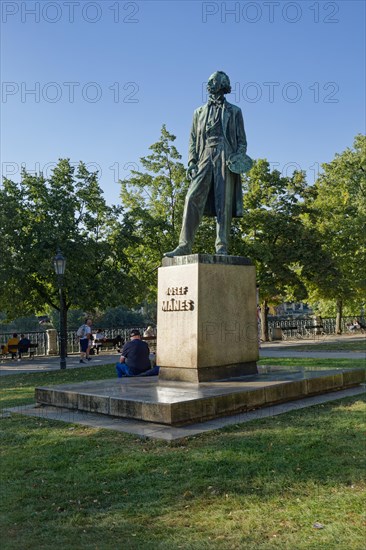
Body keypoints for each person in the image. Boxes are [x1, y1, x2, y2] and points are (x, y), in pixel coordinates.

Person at [165, 70, 252, 257]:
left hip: (225, 155)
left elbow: (242, 141)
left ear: (222, 84)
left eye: (213, 81)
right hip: (205, 155)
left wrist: (237, 158)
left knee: (224, 202)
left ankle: (222, 246)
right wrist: (191, 161)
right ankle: (184, 245)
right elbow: (192, 139)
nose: (209, 84)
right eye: (209, 81)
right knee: (191, 198)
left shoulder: (235, 111)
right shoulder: (198, 112)